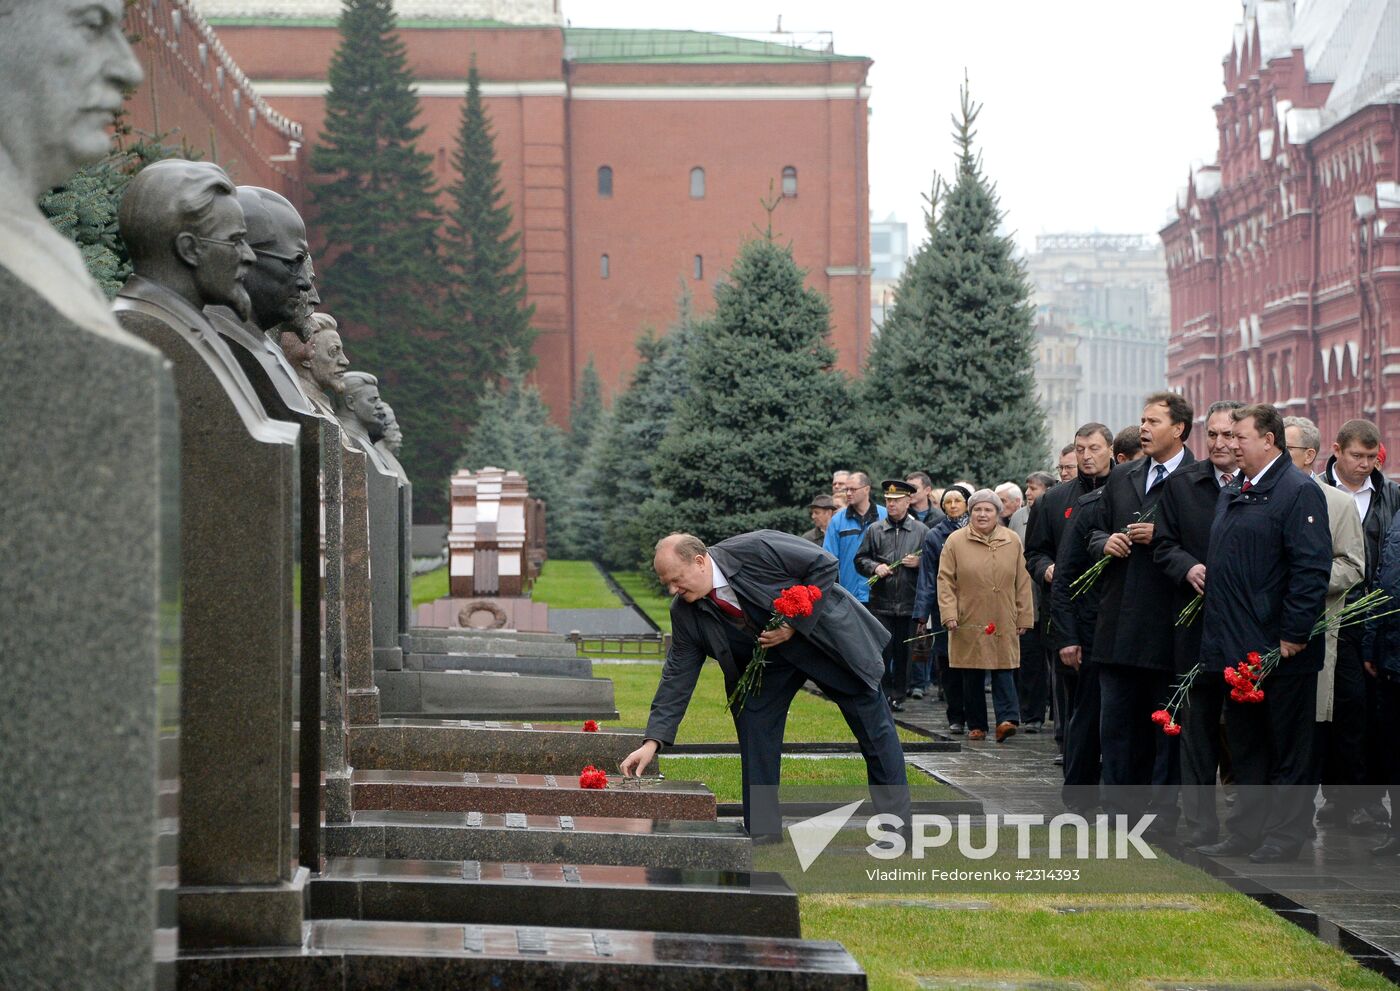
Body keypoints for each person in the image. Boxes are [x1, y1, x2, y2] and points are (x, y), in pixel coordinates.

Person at [621, 532, 911, 839]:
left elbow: (824, 564)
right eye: (666, 583)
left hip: (823, 641)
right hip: (768, 663)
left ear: (699, 561)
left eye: (676, 580)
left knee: (874, 731)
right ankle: (762, 833)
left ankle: (897, 832)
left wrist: (792, 625)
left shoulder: (755, 548)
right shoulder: (684, 610)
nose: (672, 590)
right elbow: (677, 672)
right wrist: (653, 740)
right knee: (754, 725)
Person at [1197, 405, 1331, 863]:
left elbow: (1311, 569)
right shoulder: (1237, 488)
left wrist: (1293, 633)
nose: (1230, 445)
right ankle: (1245, 832)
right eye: (1228, 437)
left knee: (1287, 747)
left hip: (1280, 650)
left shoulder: (1297, 490)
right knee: (1247, 747)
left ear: (1268, 441)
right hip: (1235, 648)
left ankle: (1284, 836)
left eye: (1239, 437)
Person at [1089, 392, 1195, 829]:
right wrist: (1105, 542)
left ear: (1180, 430)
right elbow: (1092, 531)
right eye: (1142, 420)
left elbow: (1210, 547)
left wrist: (1164, 536)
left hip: (1169, 625)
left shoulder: (1199, 479)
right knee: (1115, 725)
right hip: (1118, 623)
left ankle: (1161, 813)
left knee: (1164, 726)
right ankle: (1114, 809)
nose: (1144, 428)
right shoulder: (1123, 475)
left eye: (1154, 421)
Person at [1153, 400, 1244, 847]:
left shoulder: (1258, 486)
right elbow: (1163, 544)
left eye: (1230, 435)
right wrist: (1187, 566)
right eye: (1214, 435)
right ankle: (1201, 827)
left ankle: (1248, 827)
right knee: (1196, 732)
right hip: (1194, 630)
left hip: (1245, 632)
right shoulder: (1184, 484)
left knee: (1245, 733)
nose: (1221, 443)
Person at [1286, 416, 1366, 833]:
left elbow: (1353, 566)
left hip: (1316, 631)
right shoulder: (1252, 497)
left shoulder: (1337, 504)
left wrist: (1304, 583)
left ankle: (1296, 821)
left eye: (1288, 448)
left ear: (1311, 455)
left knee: (1310, 732)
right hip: (1259, 636)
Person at [1320, 419, 1400, 830]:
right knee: (1335, 710)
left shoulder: (1390, 496)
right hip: (1330, 611)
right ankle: (1338, 795)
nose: (1365, 464)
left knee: (1368, 711)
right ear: (1337, 450)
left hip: (1375, 617)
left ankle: (1366, 798)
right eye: (1357, 456)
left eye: (1372, 457)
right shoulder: (1315, 492)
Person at [1025, 424, 1115, 756]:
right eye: (1080, 449)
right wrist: (1044, 568)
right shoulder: (1053, 500)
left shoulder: (1126, 491)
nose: (1086, 456)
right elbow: (1033, 552)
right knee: (1075, 700)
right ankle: (1073, 757)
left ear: (1110, 449)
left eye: (1093, 448)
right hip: (1069, 615)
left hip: (1115, 612)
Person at [937, 489, 1034, 743]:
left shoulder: (1012, 540)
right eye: (977, 509)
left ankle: (1007, 719)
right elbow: (945, 580)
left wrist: (1024, 616)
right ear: (970, 512)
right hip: (968, 614)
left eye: (988, 509)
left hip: (1003, 613)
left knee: (1004, 668)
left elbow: (1023, 581)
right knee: (972, 671)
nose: (982, 514)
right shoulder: (955, 541)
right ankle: (977, 724)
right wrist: (948, 613)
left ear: (997, 513)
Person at [856, 480, 929, 711]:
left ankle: (899, 695)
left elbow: (933, 564)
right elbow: (860, 559)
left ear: (908, 501)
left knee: (904, 652)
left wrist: (920, 563)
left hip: (909, 602)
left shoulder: (921, 531)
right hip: (881, 603)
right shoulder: (875, 530)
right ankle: (883, 694)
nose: (891, 505)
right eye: (888, 500)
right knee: (881, 651)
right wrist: (874, 567)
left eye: (896, 501)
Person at [914, 485, 973, 727]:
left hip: (973, 604)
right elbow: (927, 577)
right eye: (948, 502)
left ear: (967, 503)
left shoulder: (977, 529)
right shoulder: (934, 535)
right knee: (947, 661)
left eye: (958, 500)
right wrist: (921, 613)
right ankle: (956, 715)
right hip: (943, 606)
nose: (953, 505)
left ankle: (974, 715)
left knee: (972, 661)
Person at [823, 471, 886, 603]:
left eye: (853, 489)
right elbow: (828, 559)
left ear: (866, 489)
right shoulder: (837, 521)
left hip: (881, 595)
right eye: (847, 490)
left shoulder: (884, 516)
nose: (848, 493)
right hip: (849, 595)